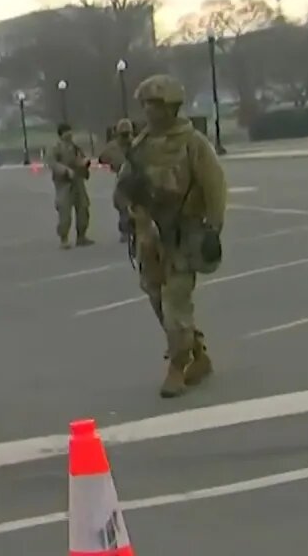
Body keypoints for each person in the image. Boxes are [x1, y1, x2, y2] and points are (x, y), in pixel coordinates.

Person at [117, 74, 227, 399]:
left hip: (185, 233)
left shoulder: (193, 144)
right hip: (151, 236)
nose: (150, 112)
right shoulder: (141, 146)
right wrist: (132, 208)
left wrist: (214, 228)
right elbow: (123, 188)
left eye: (156, 105)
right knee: (156, 297)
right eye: (147, 105)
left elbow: (214, 187)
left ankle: (177, 367)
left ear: (172, 107)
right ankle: (197, 352)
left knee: (176, 299)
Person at [49, 123, 93, 249]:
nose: (69, 134)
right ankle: (64, 238)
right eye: (66, 132)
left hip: (78, 181)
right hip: (64, 183)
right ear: (61, 134)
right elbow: (52, 162)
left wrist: (84, 163)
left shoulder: (75, 147)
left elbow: (82, 159)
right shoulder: (56, 147)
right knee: (65, 211)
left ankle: (82, 236)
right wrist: (65, 170)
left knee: (83, 208)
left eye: (70, 131)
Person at [98, 119, 137, 242]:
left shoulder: (136, 143)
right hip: (123, 179)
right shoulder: (113, 146)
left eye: (127, 133)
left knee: (138, 206)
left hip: (137, 178)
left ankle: (136, 230)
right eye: (123, 134)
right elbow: (102, 158)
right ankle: (125, 231)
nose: (126, 137)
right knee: (123, 206)